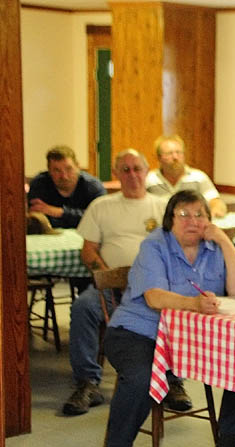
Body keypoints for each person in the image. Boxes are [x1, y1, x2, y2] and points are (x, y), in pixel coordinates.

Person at [99, 190, 235, 447]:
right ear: (170, 220)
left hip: (192, 339)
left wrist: (224, 241)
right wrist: (194, 304)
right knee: (142, 376)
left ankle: (228, 446)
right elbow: (154, 297)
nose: (192, 221)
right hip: (138, 332)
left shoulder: (213, 247)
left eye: (200, 214)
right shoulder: (154, 246)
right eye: (184, 214)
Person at [62, 149, 187, 416]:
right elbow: (89, 251)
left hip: (154, 288)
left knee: (176, 310)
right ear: (117, 174)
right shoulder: (102, 206)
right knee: (83, 307)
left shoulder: (163, 206)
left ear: (147, 171)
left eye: (137, 169)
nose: (132, 175)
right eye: (126, 170)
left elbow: (178, 249)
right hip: (111, 288)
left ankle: (172, 380)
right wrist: (109, 277)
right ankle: (88, 382)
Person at [145, 134, 228, 218]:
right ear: (158, 157)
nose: (175, 157)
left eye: (178, 152)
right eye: (169, 153)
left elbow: (214, 200)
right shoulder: (149, 179)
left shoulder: (198, 177)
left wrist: (216, 209)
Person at [27, 145, 106, 229]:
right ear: (49, 171)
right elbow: (37, 218)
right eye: (57, 170)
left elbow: (101, 217)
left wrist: (60, 212)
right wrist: (76, 217)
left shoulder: (93, 186)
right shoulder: (39, 184)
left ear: (78, 167)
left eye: (69, 169)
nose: (64, 176)